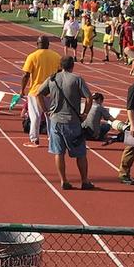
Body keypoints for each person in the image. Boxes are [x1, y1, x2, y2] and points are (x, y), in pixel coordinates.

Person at [38, 57, 94, 190]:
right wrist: (85, 113)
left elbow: (38, 93)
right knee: (80, 153)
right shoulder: (76, 79)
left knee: (59, 152)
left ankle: (64, 181)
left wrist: (45, 110)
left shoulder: (52, 78)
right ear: (72, 65)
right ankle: (84, 181)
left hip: (55, 121)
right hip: (72, 122)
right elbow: (89, 97)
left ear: (60, 65)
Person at [19, 36, 61, 147]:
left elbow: (26, 75)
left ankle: (34, 139)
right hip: (51, 91)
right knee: (51, 116)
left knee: (35, 116)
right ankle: (53, 139)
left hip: (35, 91)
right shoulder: (56, 56)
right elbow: (61, 73)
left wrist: (22, 90)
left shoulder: (32, 56)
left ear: (37, 44)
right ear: (48, 44)